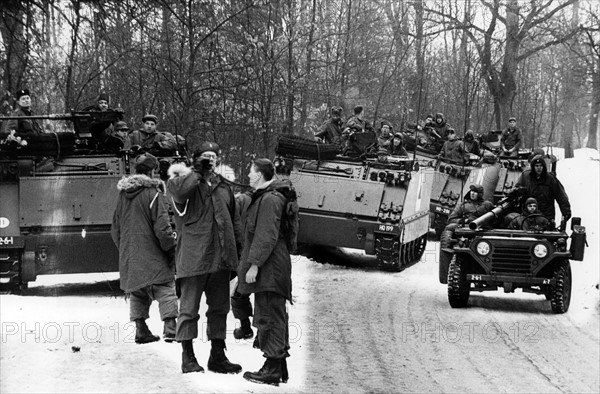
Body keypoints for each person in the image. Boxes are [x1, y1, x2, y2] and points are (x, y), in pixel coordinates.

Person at [166, 141, 242, 374]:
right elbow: (177, 192)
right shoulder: (181, 182)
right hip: (194, 258)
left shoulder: (223, 186)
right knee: (189, 309)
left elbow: (234, 220)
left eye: (214, 156)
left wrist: (238, 252)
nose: (211, 160)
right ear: (196, 159)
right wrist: (196, 172)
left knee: (220, 308)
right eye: (206, 156)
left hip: (220, 259)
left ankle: (217, 355)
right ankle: (187, 357)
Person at [110, 153, 178, 344]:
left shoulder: (122, 195)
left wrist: (126, 249)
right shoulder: (153, 193)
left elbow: (115, 229)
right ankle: (170, 327)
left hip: (131, 257)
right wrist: (170, 249)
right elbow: (163, 229)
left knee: (138, 292)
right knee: (165, 287)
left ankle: (141, 330)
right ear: (152, 171)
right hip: (154, 254)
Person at [238, 158, 292, 386]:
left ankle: (272, 369)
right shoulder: (264, 196)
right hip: (271, 266)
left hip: (270, 267)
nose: (249, 175)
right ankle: (278, 366)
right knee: (272, 313)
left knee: (269, 315)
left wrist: (254, 265)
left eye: (251, 171)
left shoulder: (270, 199)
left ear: (259, 174)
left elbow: (266, 235)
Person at [516, 154, 571, 227]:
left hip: (546, 215)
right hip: (528, 216)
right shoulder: (526, 177)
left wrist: (566, 212)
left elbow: (561, 196)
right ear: (533, 167)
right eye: (536, 166)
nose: (539, 168)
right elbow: (517, 190)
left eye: (541, 166)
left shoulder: (551, 179)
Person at [231, 189, 255, 341]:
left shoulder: (241, 200)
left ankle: (245, 328)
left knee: (239, 294)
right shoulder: (273, 199)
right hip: (266, 255)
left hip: (248, 254)